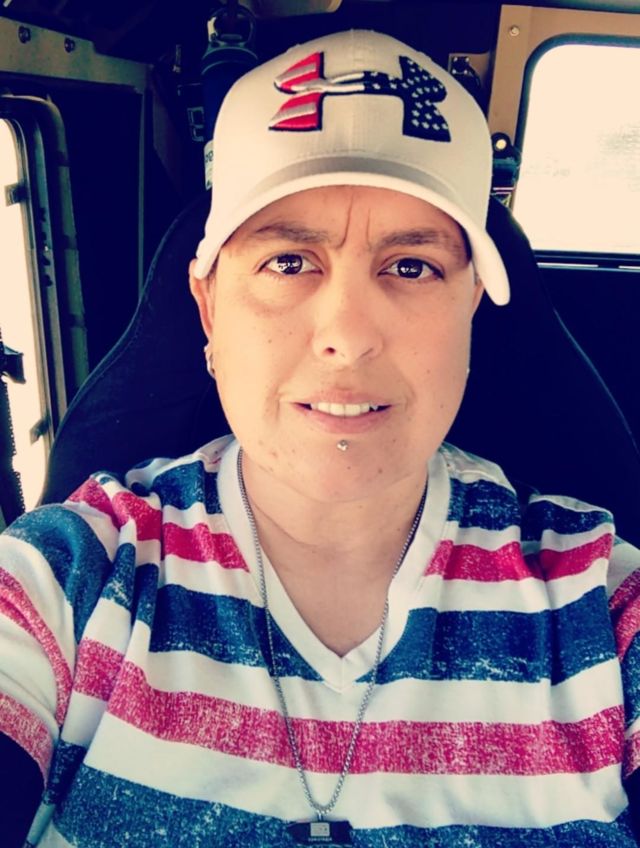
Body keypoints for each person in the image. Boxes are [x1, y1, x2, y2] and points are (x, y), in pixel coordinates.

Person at [1, 28, 640, 847]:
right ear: (208, 309)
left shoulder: (598, 604)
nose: (347, 336)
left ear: (471, 311)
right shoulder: (70, 580)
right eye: (289, 262)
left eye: (411, 267)